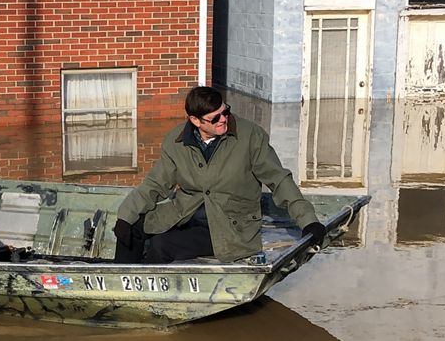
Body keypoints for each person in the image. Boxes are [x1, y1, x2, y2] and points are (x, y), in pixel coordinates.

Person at [113, 86, 326, 264]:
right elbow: (155, 184)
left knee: (162, 245)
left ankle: (154, 295)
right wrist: (125, 216)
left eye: (225, 111)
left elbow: (279, 180)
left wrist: (308, 221)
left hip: (229, 224)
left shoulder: (250, 136)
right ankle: (120, 285)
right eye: (215, 118)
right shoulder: (176, 141)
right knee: (131, 228)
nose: (223, 119)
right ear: (195, 121)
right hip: (186, 213)